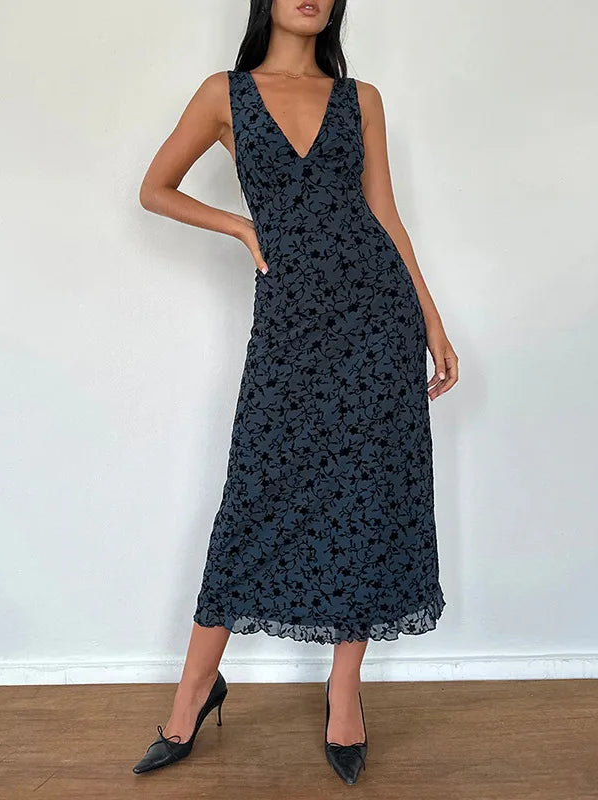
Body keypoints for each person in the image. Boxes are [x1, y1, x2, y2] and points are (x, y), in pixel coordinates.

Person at [133, 0, 458, 785]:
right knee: (256, 493)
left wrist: (431, 320)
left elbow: (384, 214)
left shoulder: (361, 99)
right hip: (290, 321)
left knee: (367, 496)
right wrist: (242, 228)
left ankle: (343, 694)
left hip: (377, 318)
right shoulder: (225, 94)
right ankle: (194, 692)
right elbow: (155, 189)